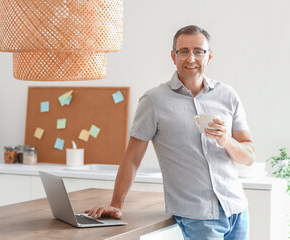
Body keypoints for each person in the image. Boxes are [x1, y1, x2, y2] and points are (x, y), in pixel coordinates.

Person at [85, 25, 255, 240]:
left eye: (198, 51)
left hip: (237, 209)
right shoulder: (154, 100)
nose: (190, 58)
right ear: (173, 56)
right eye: (183, 51)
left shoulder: (227, 95)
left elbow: (249, 155)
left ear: (209, 56)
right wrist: (115, 205)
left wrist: (226, 140)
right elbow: (132, 159)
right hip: (198, 216)